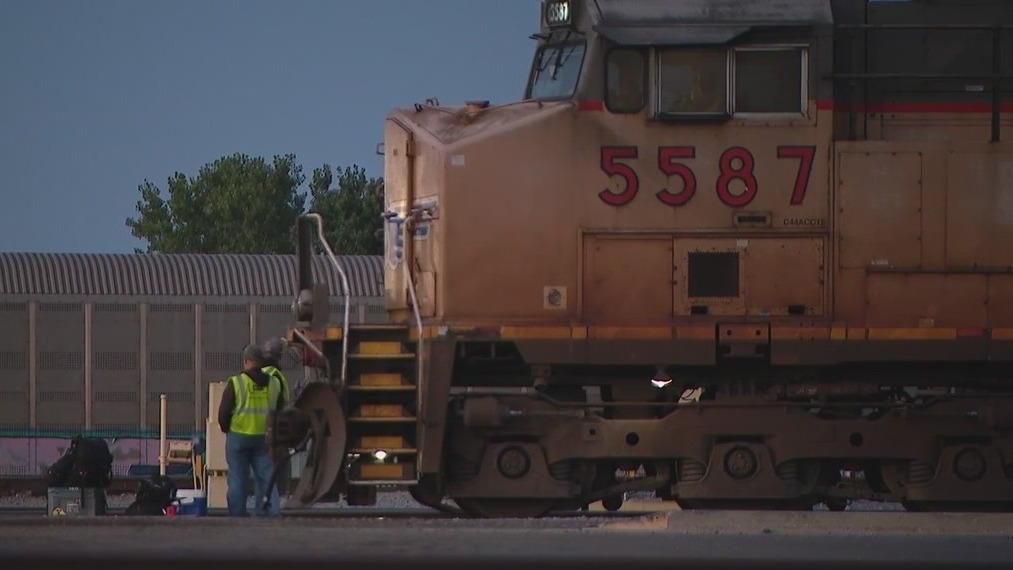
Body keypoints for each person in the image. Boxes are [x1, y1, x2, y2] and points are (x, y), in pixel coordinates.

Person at [218, 344, 285, 517]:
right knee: (267, 478)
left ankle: (237, 515)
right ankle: (271, 513)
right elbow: (279, 410)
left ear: (246, 361)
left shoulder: (236, 382)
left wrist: (227, 429)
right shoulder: (274, 383)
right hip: (263, 438)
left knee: (238, 480)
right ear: (261, 362)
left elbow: (224, 413)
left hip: (238, 437)